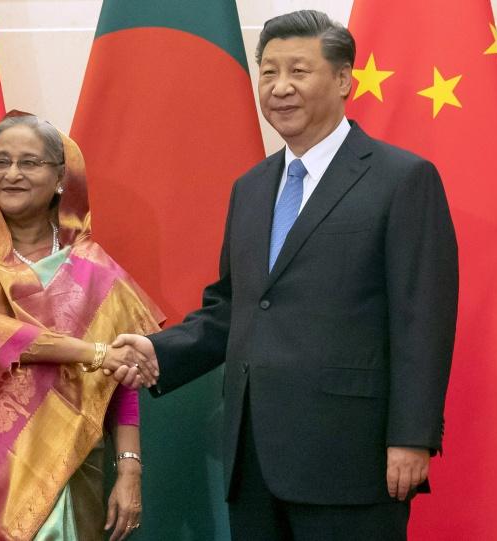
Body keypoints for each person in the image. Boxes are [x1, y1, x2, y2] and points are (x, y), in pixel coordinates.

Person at [111, 10, 458, 540]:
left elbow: (423, 320)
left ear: (343, 79)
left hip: (352, 458)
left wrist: (412, 437)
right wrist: (161, 351)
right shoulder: (252, 187)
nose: (280, 88)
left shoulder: (402, 179)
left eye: (298, 71)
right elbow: (236, 306)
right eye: (268, 72)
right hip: (252, 459)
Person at [0, 112, 163, 541]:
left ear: (61, 177)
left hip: (67, 470)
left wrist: (129, 468)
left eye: (29, 162)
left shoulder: (94, 271)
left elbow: (121, 382)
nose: (11, 174)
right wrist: (92, 352)